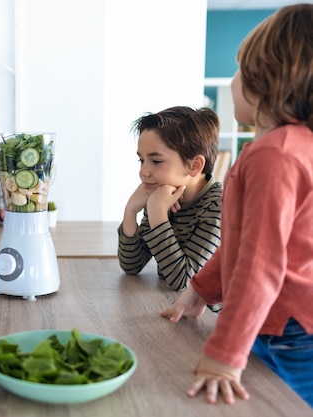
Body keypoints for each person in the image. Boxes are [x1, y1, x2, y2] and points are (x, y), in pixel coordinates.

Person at [160, 3, 313, 407]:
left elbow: (260, 263)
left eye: (240, 69)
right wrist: (200, 292)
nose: (232, 81)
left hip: (290, 329)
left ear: (267, 81)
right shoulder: (288, 147)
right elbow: (245, 244)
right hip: (287, 320)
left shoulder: (274, 155)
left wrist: (223, 357)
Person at [118, 106, 222, 294]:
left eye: (156, 161)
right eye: (141, 160)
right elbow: (131, 265)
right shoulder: (162, 195)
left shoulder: (218, 206)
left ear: (195, 165)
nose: (143, 171)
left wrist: (158, 214)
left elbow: (184, 281)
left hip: (210, 319)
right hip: (170, 306)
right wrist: (130, 211)